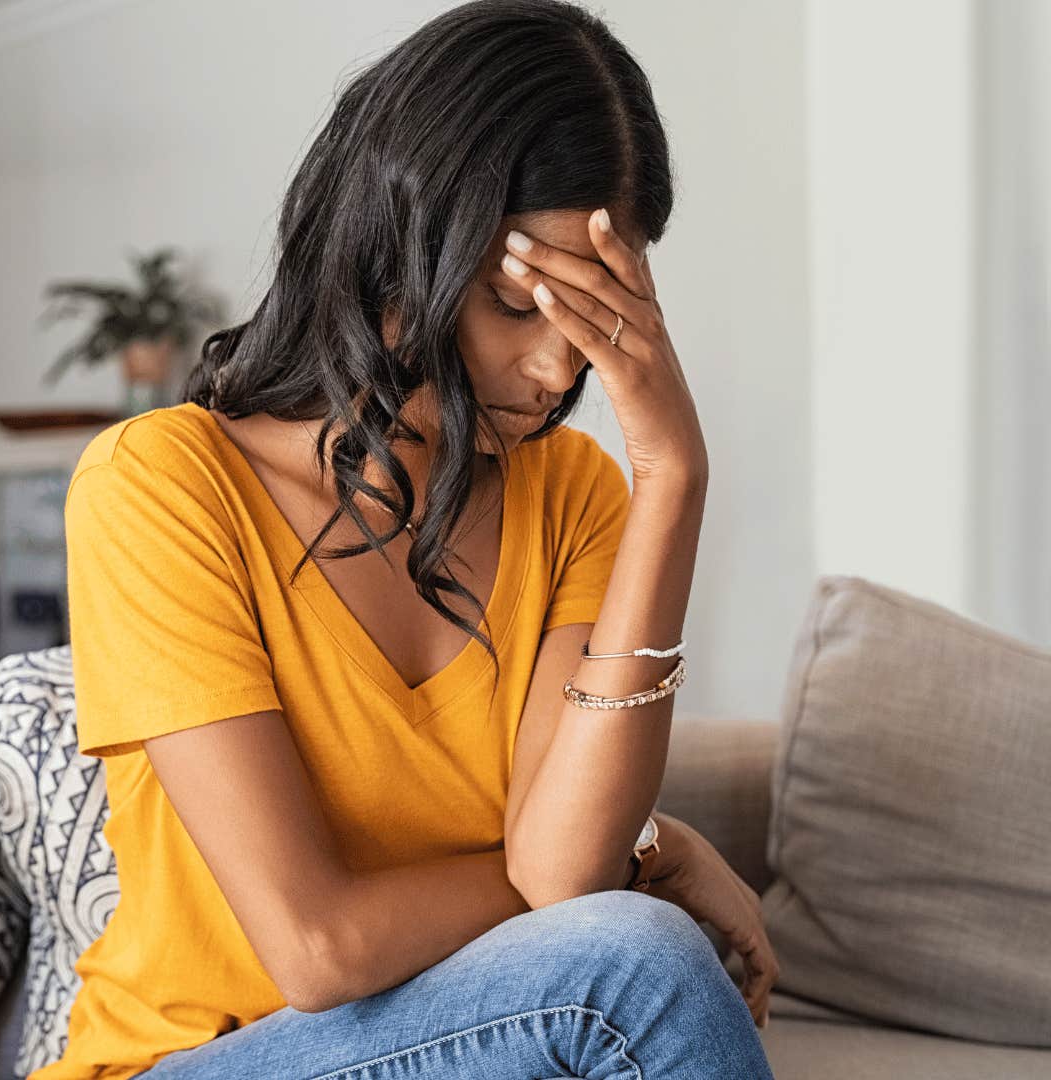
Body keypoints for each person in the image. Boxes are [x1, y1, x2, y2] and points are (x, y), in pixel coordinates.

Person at [46, 2, 777, 1077]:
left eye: (591, 314)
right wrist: (640, 857)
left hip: (455, 1034)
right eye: (511, 304)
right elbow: (318, 947)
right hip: (197, 1060)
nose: (560, 366)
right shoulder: (160, 485)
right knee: (637, 966)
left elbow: (561, 875)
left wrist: (674, 475)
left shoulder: (571, 492)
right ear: (397, 249)